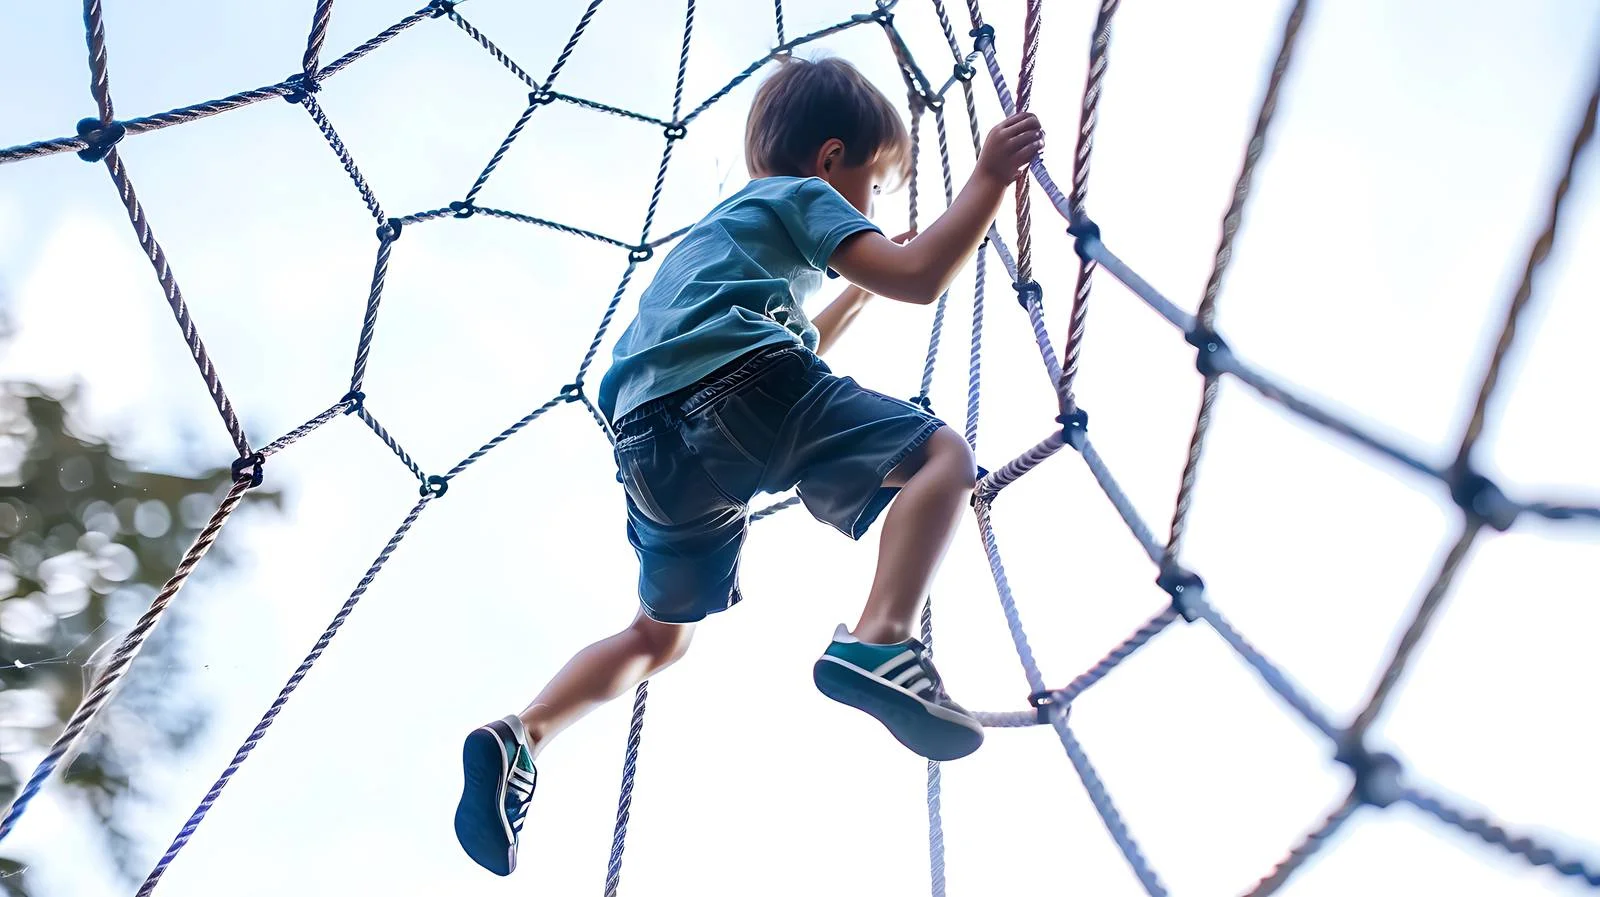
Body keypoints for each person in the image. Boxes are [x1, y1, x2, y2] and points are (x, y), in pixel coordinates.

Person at [453, 54, 1043, 876]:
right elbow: (920, 276)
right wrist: (986, 177)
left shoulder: (720, 237)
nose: (868, 211)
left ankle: (523, 733)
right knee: (941, 455)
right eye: (872, 184)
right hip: (744, 390)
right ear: (831, 159)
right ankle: (881, 637)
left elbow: (785, 343)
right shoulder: (805, 197)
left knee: (659, 634)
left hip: (643, 440)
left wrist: (852, 292)